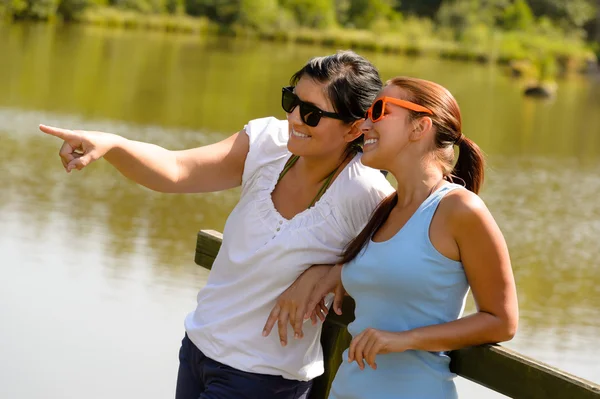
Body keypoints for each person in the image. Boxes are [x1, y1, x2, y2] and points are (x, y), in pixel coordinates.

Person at [39, 50, 394, 399]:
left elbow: (402, 270)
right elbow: (177, 171)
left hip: (263, 379)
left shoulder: (365, 192)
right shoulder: (268, 144)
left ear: (354, 130)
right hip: (198, 349)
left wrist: (331, 274)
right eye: (292, 100)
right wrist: (112, 144)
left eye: (313, 113)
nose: (295, 118)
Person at [295, 76, 519, 399]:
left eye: (379, 111)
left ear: (420, 127)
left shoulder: (459, 209)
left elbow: (502, 321)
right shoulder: (384, 209)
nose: (364, 124)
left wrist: (405, 339)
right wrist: (341, 274)